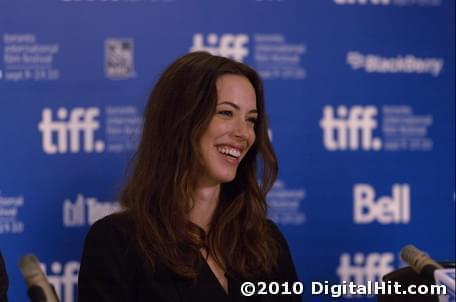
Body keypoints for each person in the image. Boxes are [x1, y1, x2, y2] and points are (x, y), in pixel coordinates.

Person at [78, 51, 301, 302]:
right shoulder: (117, 242)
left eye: (251, 120)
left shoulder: (266, 241)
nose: (244, 133)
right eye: (226, 113)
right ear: (180, 121)